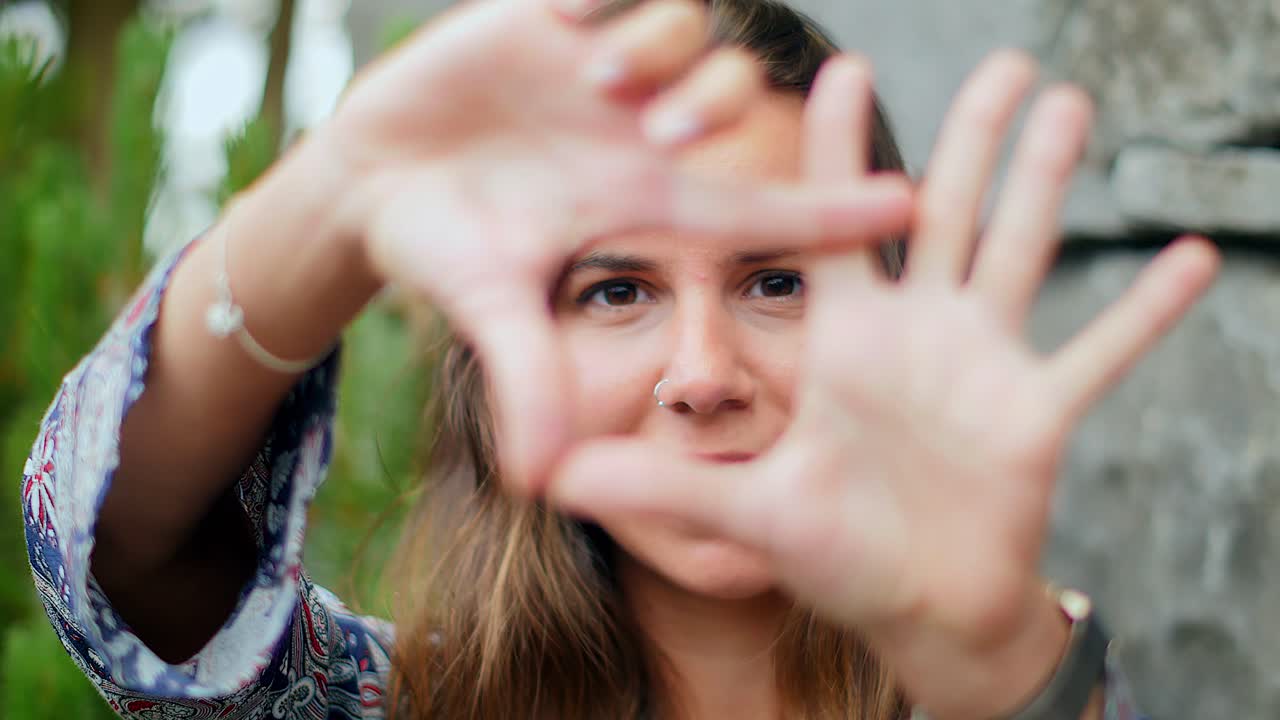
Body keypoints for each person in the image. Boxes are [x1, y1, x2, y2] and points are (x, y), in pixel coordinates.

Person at [21, 0, 1219, 718]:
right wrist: (339, 192)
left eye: (775, 279)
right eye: (615, 290)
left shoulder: (1015, 683)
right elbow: (109, 555)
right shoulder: (380, 704)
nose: (701, 373)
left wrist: (1001, 668)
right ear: (498, 356)